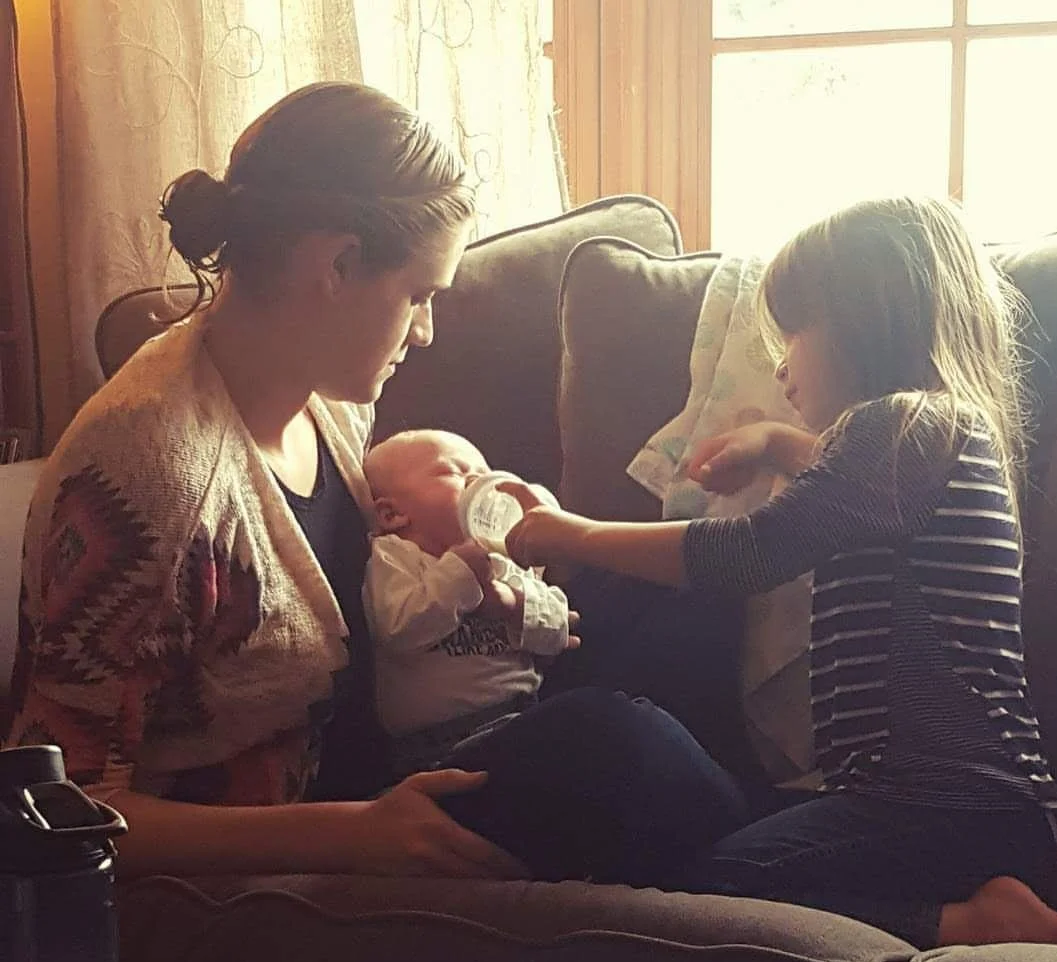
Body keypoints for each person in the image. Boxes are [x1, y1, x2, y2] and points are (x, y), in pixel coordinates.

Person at [3, 81, 743, 890]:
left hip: (390, 753)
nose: (424, 331)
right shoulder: (146, 473)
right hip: (278, 860)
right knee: (616, 743)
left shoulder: (324, 396)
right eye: (419, 296)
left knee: (674, 596)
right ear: (339, 264)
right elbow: (56, 806)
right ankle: (766, 874)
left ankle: (769, 847)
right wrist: (350, 835)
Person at [505, 194, 1057, 949]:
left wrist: (574, 534)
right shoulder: (930, 436)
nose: (781, 367)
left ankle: (974, 924)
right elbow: (841, 486)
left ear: (865, 318)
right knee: (722, 855)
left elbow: (749, 552)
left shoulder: (905, 423)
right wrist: (775, 444)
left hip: (951, 801)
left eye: (795, 332)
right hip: (954, 802)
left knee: (718, 885)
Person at [362, 428, 574, 778]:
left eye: (484, 472)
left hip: (525, 712)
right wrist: (458, 574)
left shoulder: (501, 555)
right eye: (454, 471)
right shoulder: (394, 557)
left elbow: (558, 632)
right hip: (439, 746)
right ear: (392, 515)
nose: (480, 482)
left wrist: (510, 602)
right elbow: (397, 630)